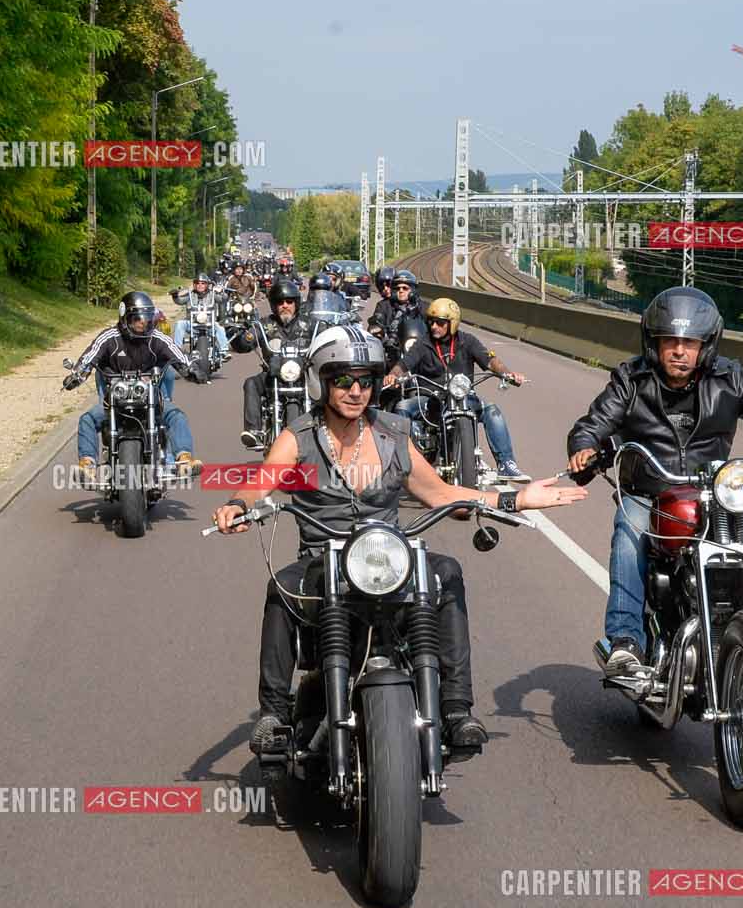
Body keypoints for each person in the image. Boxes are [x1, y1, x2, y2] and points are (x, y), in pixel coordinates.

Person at [215, 323, 587, 756]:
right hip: (324, 559)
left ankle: (455, 708)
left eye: (366, 381)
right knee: (281, 588)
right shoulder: (298, 437)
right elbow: (260, 483)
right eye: (344, 380)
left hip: (389, 559)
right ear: (321, 381)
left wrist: (517, 498)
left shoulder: (394, 433)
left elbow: (443, 494)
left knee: (446, 574)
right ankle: (274, 715)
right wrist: (238, 506)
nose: (356, 391)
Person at [564, 287, 743, 688]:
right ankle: (626, 641)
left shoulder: (729, 377)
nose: (679, 351)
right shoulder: (630, 379)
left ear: (706, 345)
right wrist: (584, 447)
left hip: (713, 493)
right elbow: (594, 423)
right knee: (629, 532)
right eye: (671, 341)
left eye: (689, 342)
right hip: (651, 491)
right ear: (654, 343)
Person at [388, 297, 529, 482]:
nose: (434, 327)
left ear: (452, 323)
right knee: (402, 407)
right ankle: (402, 459)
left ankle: (506, 464)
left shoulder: (467, 341)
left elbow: (490, 360)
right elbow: (404, 363)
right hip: (432, 398)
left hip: (464, 397)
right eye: (431, 322)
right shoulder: (424, 343)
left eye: (440, 323)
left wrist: (509, 374)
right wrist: (393, 375)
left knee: (492, 411)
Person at [68, 290, 205, 476]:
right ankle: (88, 464)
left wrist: (192, 368)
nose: (143, 322)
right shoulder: (108, 337)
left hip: (150, 397)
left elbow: (177, 353)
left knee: (176, 416)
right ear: (125, 317)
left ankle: (184, 459)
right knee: (88, 419)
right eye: (137, 318)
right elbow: (90, 356)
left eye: (147, 318)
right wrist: (78, 374)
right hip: (114, 400)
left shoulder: (156, 338)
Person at [242, 276, 315, 449]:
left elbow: (326, 336)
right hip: (272, 374)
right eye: (280, 302)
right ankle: (254, 431)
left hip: (303, 374)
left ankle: (330, 432)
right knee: (251, 383)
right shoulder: (264, 325)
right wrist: (244, 338)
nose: (285, 305)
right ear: (274, 305)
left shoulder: (310, 324)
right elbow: (248, 339)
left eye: (289, 301)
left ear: (296, 303)